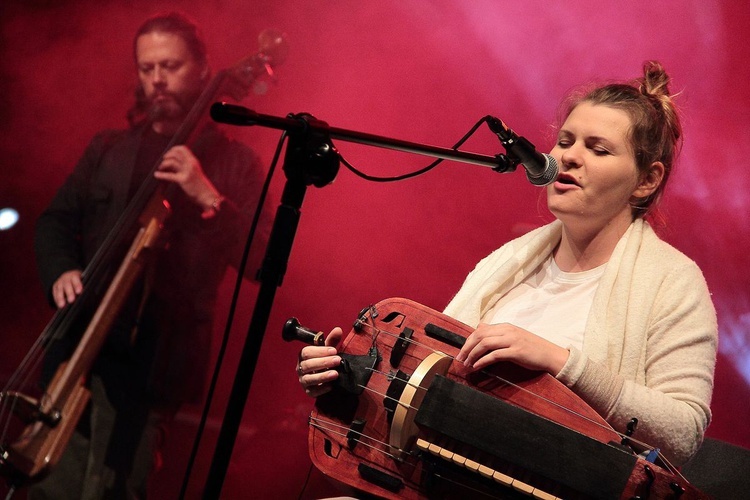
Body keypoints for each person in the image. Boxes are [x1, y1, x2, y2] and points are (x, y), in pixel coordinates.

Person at [297, 61, 718, 473]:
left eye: (597, 148)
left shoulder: (673, 282)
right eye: (566, 141)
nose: (569, 158)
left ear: (647, 180)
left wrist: (560, 362)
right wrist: (348, 376)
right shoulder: (507, 265)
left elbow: (682, 433)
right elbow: (427, 384)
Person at [30, 11, 266, 499]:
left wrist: (208, 197)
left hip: (157, 368)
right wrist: (61, 272)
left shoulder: (235, 163)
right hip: (79, 354)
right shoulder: (109, 148)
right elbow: (54, 222)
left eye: (171, 66)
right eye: (147, 68)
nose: (156, 79)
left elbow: (263, 261)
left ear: (203, 68)